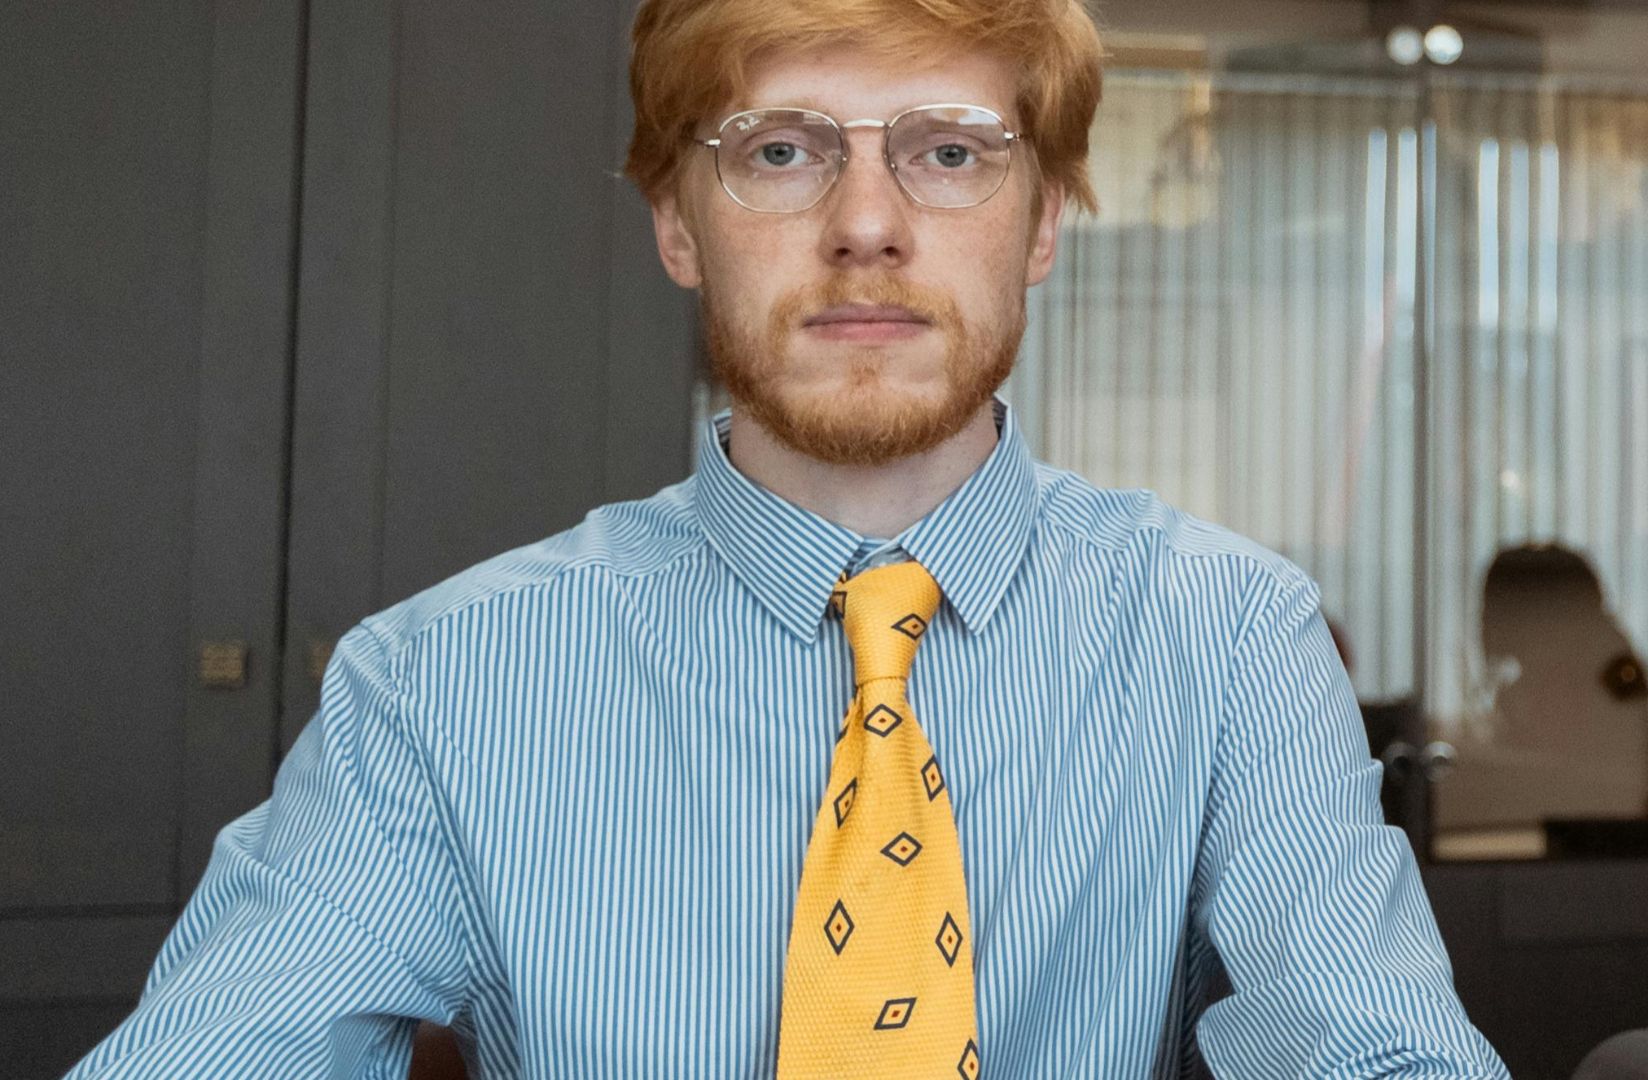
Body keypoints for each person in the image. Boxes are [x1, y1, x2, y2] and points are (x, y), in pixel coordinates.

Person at [64, 0, 1508, 1075]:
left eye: (951, 151)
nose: (865, 222)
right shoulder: (437, 686)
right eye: (778, 150)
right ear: (678, 223)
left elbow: (1375, 1049)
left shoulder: (1233, 637)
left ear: (1047, 220)